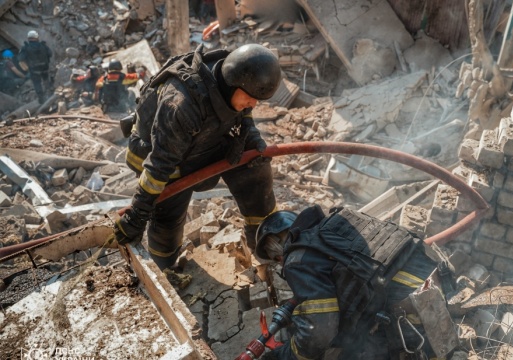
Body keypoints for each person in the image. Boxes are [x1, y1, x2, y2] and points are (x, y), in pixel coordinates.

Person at [113, 43, 281, 270]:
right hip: (162, 158)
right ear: (232, 85)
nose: (253, 104)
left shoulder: (235, 78)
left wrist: (253, 141)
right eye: (250, 98)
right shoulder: (182, 104)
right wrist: (136, 216)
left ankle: (264, 244)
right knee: (167, 221)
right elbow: (158, 166)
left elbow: (244, 115)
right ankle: (164, 269)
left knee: (256, 170)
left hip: (204, 144)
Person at [254, 205, 450, 360]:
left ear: (277, 248)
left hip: (409, 310)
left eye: (276, 258)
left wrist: (287, 355)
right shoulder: (337, 223)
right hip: (441, 282)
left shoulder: (296, 259)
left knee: (350, 350)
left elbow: (320, 331)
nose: (281, 262)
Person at [17, 30, 52, 104]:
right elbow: (50, 54)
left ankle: (41, 99)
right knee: (46, 80)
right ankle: (50, 94)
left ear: (28, 38)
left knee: (37, 83)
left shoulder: (26, 47)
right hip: (45, 68)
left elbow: (20, 58)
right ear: (37, 37)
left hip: (34, 70)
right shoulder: (43, 45)